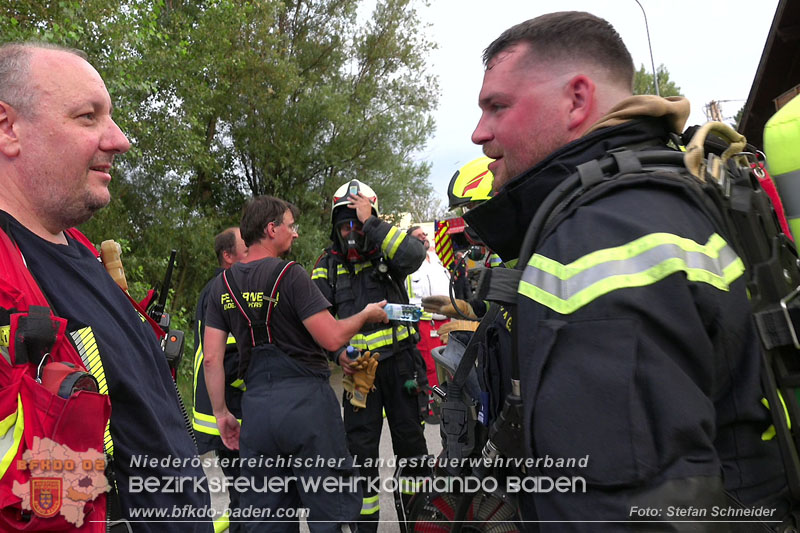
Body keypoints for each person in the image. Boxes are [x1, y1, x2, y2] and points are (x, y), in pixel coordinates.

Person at [460, 11, 790, 529]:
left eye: (497, 106)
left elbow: (627, 508)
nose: (480, 133)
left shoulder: (603, 235)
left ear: (576, 99)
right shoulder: (665, 192)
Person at [0, 42, 211, 531]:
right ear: (8, 128)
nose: (119, 140)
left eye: (110, 117)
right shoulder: (8, 286)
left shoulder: (83, 252)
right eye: (87, 117)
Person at [203, 195, 388, 532]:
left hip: (257, 410)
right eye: (290, 226)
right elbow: (331, 338)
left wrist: (222, 414)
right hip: (308, 409)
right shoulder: (291, 275)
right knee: (330, 507)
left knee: (267, 516)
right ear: (271, 229)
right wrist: (365, 315)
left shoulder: (221, 286)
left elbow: (212, 358)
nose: (295, 233)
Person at [311, 179, 429, 531]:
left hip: (402, 364)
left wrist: (373, 224)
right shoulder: (327, 264)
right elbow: (316, 321)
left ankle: (420, 523)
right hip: (359, 376)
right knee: (360, 458)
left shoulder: (388, 251)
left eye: (356, 223)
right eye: (344, 224)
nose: (351, 231)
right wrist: (336, 355)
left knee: (412, 450)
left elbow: (416, 256)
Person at [193, 227, 247, 533]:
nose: (252, 248)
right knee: (248, 492)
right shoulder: (226, 290)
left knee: (240, 489)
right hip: (232, 411)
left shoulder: (214, 287)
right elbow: (228, 359)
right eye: (245, 246)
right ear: (228, 256)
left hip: (221, 410)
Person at [405, 225, 450, 389]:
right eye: (419, 235)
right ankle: (433, 404)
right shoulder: (407, 264)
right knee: (431, 366)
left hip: (446, 320)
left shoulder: (436, 260)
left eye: (424, 234)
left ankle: (451, 401)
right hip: (425, 323)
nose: (424, 236)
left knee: (450, 363)